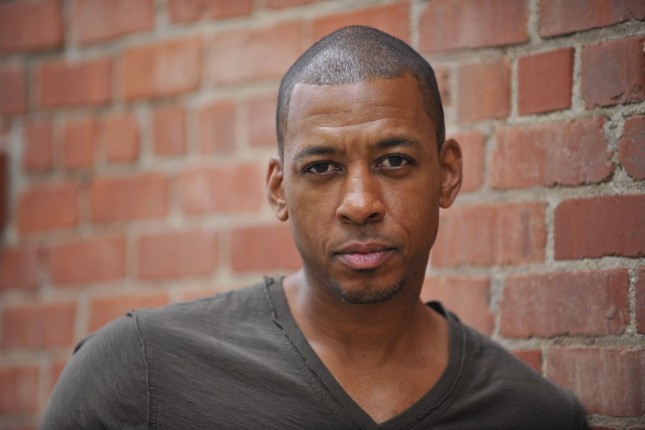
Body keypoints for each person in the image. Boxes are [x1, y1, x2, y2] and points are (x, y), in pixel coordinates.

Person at [41, 26, 588, 429]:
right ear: (279, 190)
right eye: (322, 168)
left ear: (447, 175)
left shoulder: (534, 414)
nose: (360, 204)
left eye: (394, 161)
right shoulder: (141, 373)